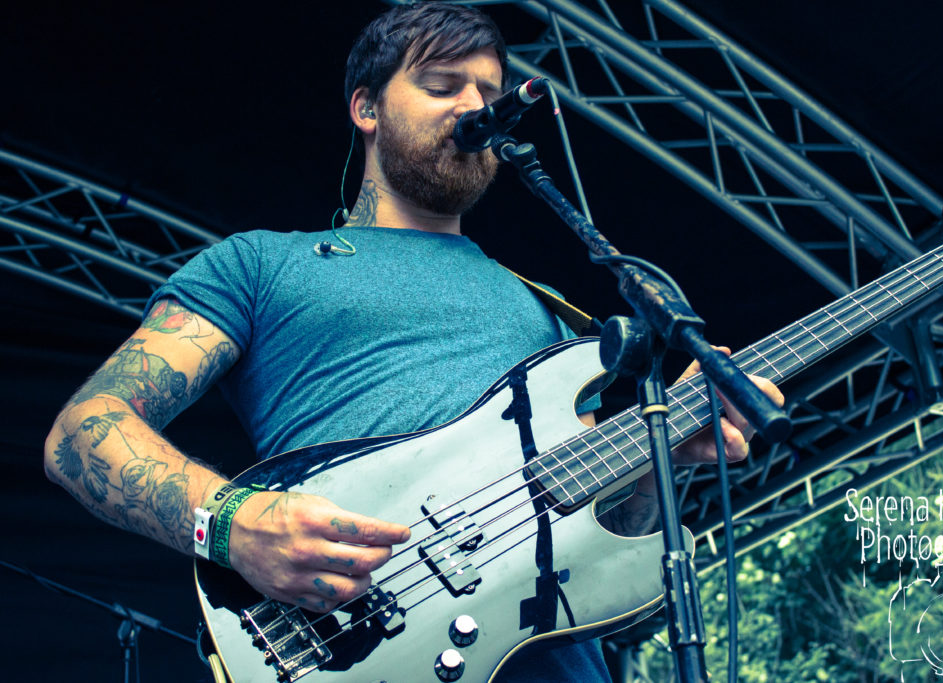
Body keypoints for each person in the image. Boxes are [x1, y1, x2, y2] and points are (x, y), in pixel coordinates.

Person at [43, 3, 782, 681]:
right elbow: (84, 432)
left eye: (488, 94)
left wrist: (661, 458)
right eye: (441, 85)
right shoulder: (262, 263)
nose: (474, 108)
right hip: (359, 647)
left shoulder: (547, 317)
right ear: (366, 108)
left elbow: (599, 540)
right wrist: (232, 521)